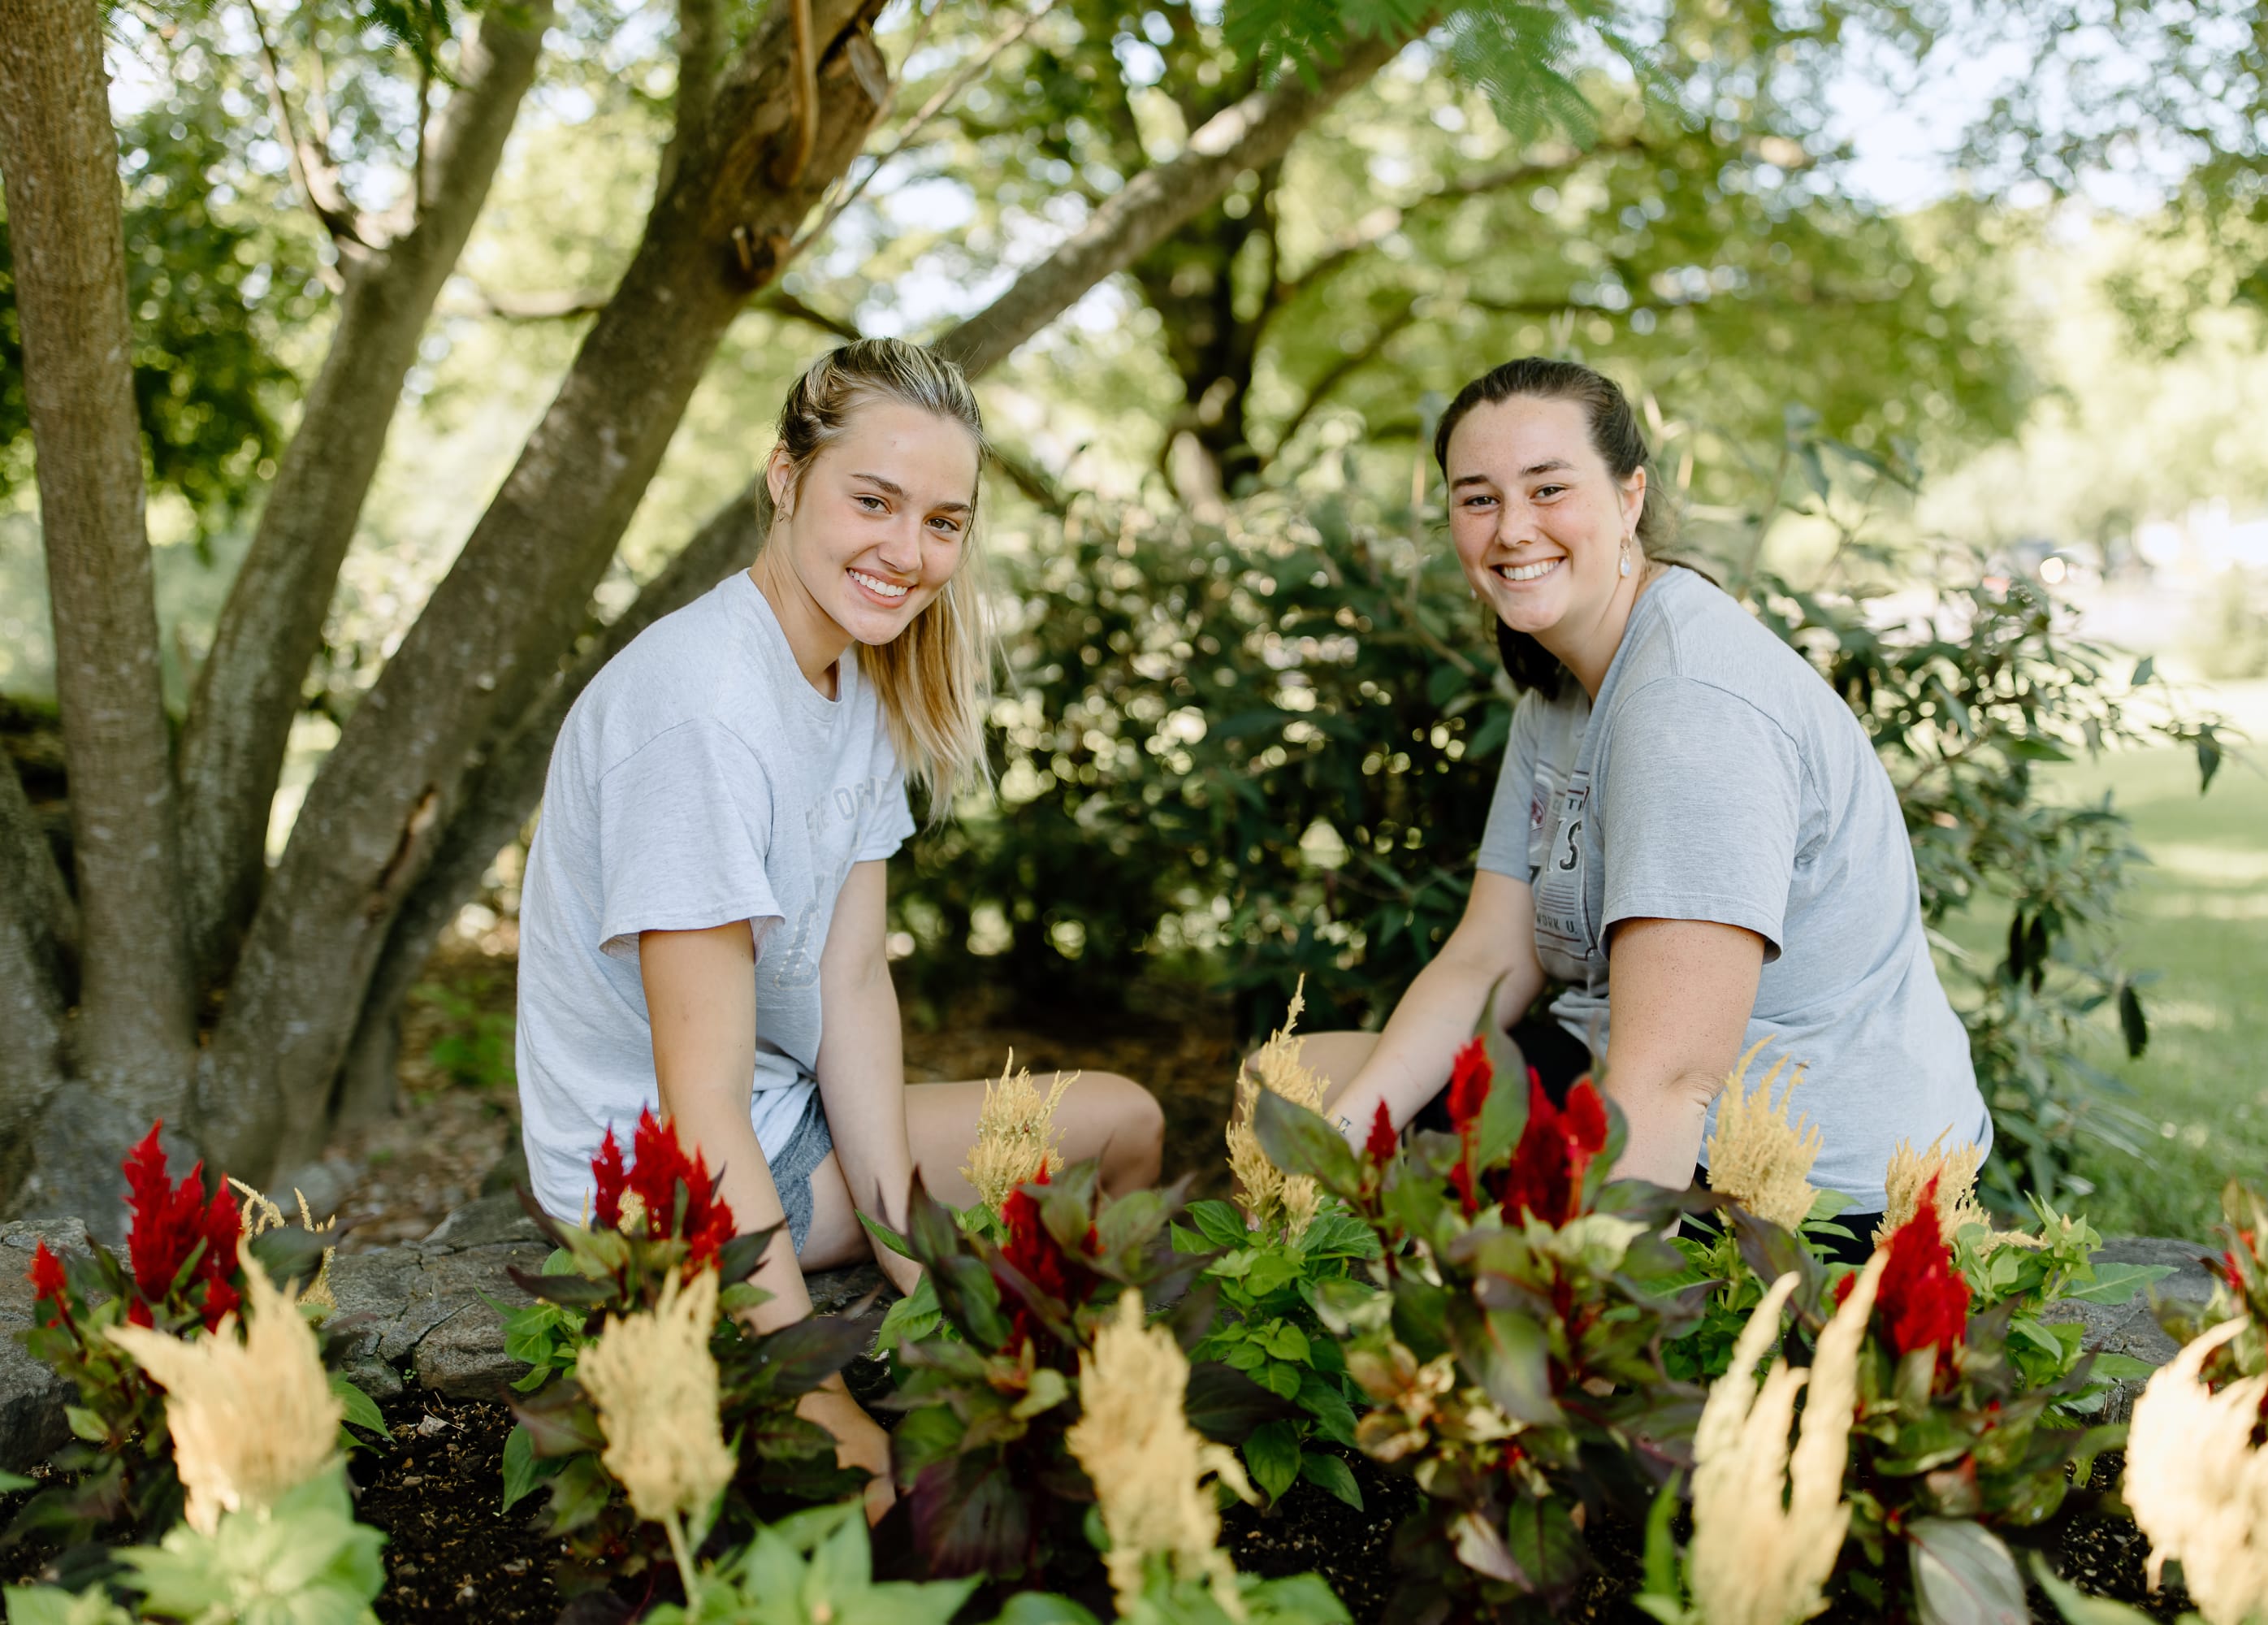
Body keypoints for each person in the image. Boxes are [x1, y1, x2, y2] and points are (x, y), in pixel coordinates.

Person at [513, 339, 1165, 1514]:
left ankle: (1073, 1402)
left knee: (1125, 1127)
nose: (908, 554)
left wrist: (909, 1253)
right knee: (862, 1481)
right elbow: (698, 1093)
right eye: (873, 501)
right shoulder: (702, 711)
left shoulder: (844, 675)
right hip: (651, 1172)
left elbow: (855, 981)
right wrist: (815, 1386)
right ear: (784, 477)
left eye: (943, 522)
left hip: (781, 1118)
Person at [1299, 358, 1988, 1254]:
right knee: (1296, 1088)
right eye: (1478, 499)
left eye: (1549, 488)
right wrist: (1340, 1147)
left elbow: (1670, 1082)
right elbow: (1486, 958)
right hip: (1629, 1082)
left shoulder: (1688, 705)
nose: (1513, 529)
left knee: (1477, 1269)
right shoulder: (1559, 693)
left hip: (1809, 1184)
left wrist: (1582, 1305)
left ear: (1630, 497)